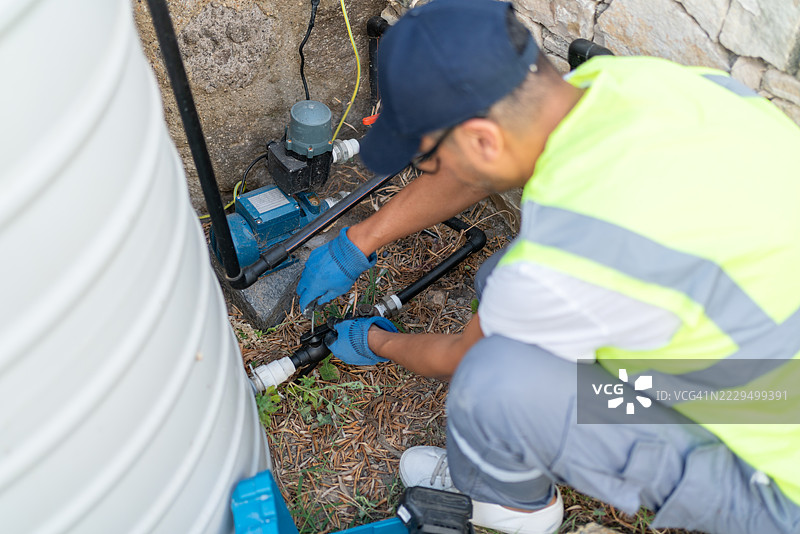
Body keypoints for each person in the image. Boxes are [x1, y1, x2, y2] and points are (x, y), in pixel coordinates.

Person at [295, 0, 800, 532]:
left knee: (495, 379)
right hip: (770, 364)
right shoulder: (635, 85)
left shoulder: (571, 259)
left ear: (483, 141)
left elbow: (457, 358)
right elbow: (477, 170)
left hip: (779, 469)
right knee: (500, 286)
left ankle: (510, 503)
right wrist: (358, 240)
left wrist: (375, 339)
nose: (429, 169)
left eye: (426, 157)